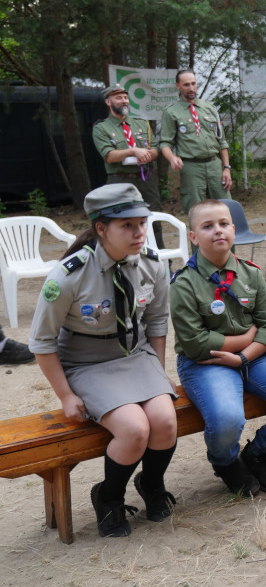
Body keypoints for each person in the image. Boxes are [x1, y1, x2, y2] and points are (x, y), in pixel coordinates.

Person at [29, 184, 177, 537]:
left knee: (165, 421)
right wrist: (66, 395)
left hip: (134, 354)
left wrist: (157, 370)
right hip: (87, 362)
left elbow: (156, 322)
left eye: (142, 223)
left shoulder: (152, 265)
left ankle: (151, 486)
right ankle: (108, 497)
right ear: (100, 228)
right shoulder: (69, 274)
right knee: (135, 429)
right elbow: (42, 341)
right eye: (127, 225)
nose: (139, 232)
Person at [171, 199, 266, 495]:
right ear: (193, 237)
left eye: (224, 224)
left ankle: (257, 452)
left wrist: (243, 357)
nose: (218, 231)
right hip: (205, 362)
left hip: (253, 358)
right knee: (227, 418)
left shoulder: (250, 273)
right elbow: (197, 343)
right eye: (207, 226)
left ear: (234, 229)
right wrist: (246, 339)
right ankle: (225, 462)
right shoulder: (184, 283)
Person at [92, 84, 164, 247]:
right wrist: (133, 151)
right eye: (118, 98)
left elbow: (155, 149)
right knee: (121, 222)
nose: (124, 101)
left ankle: (162, 263)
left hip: (146, 179)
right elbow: (109, 156)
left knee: (154, 220)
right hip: (120, 181)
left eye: (125, 97)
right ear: (108, 102)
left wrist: (147, 155)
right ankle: (123, 260)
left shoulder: (142, 123)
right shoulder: (101, 128)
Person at [159, 69, 232, 214]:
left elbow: (222, 141)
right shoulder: (171, 112)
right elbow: (165, 143)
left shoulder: (209, 108)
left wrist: (226, 168)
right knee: (196, 211)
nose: (191, 88)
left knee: (225, 208)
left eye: (193, 84)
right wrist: (172, 158)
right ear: (177, 86)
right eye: (186, 85)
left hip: (214, 166)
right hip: (191, 167)